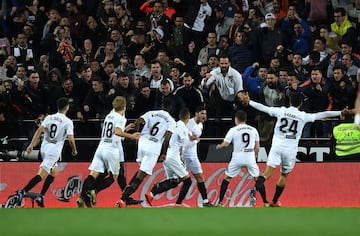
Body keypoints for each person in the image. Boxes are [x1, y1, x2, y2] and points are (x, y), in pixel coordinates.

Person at [239, 92, 348, 207]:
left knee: (266, 174)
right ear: (300, 104)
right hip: (290, 149)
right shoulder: (303, 116)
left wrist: (249, 101)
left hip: (276, 146)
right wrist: (340, 112)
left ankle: (254, 190)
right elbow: (322, 114)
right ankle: (274, 201)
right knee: (284, 175)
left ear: (290, 101)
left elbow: (264, 108)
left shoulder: (281, 111)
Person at [77, 96, 140, 207]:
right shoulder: (121, 118)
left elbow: (114, 132)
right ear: (124, 107)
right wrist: (132, 136)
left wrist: (124, 130)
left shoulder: (109, 116)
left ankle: (82, 196)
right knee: (113, 177)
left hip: (101, 147)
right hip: (111, 149)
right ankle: (94, 191)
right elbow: (117, 132)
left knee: (93, 174)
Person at [16, 97, 78, 207]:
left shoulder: (49, 117)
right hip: (53, 152)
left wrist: (31, 145)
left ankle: (41, 196)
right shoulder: (68, 121)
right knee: (41, 175)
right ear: (67, 107)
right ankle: (23, 191)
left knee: (54, 171)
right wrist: (74, 149)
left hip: (44, 148)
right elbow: (70, 138)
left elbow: (39, 130)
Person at [116, 98, 176, 207]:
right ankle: (122, 200)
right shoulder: (171, 121)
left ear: (162, 105)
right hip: (153, 147)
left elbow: (137, 122)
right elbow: (167, 137)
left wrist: (136, 135)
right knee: (141, 176)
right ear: (171, 108)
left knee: (140, 171)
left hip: (142, 142)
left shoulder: (151, 113)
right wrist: (164, 153)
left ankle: (124, 197)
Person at [215, 110, 267, 207]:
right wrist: (254, 156)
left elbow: (225, 144)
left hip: (237, 157)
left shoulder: (233, 130)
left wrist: (219, 146)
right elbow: (257, 147)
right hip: (250, 156)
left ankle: (220, 202)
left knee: (227, 178)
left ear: (236, 119)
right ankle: (265, 202)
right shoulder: (253, 130)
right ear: (245, 119)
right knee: (257, 178)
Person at [144, 108, 194, 207]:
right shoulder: (182, 127)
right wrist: (194, 140)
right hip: (173, 157)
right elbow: (186, 144)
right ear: (188, 118)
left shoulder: (172, 125)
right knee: (188, 181)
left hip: (166, 156)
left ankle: (152, 193)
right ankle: (178, 204)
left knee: (173, 182)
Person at [182, 106, 213, 207]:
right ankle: (156, 189)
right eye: (202, 113)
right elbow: (188, 136)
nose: (204, 116)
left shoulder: (200, 125)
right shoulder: (189, 123)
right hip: (184, 155)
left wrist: (195, 139)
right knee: (177, 180)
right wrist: (194, 138)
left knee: (200, 177)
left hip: (193, 155)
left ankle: (205, 201)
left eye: (205, 114)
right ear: (196, 114)